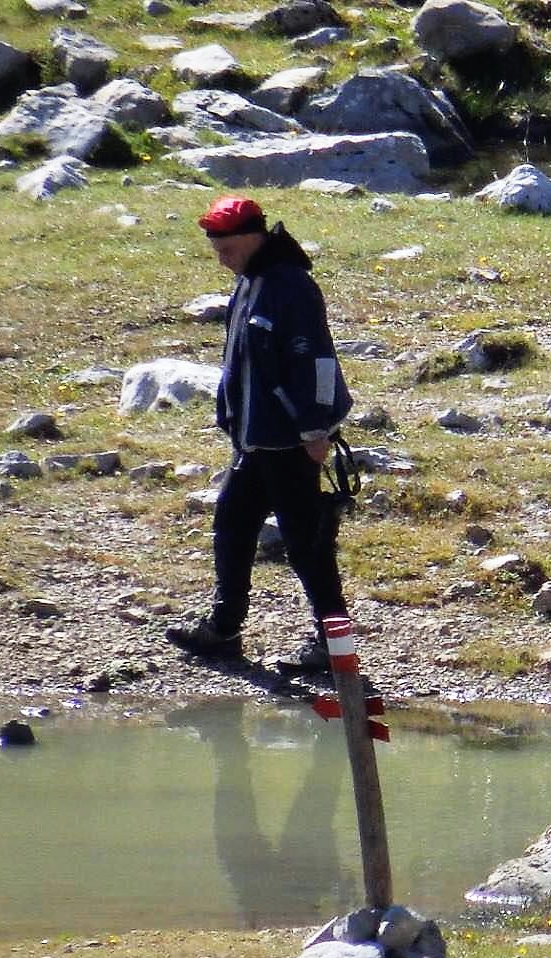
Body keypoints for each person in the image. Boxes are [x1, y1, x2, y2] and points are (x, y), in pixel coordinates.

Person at [166, 195, 353, 671]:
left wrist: (316, 429)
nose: (221, 259)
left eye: (226, 249)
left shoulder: (291, 286)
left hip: (291, 440)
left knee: (306, 543)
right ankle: (224, 629)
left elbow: (317, 362)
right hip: (254, 440)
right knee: (232, 522)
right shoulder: (250, 280)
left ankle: (332, 647)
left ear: (252, 239)